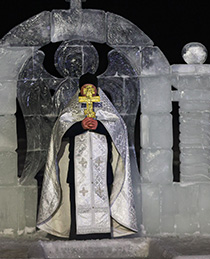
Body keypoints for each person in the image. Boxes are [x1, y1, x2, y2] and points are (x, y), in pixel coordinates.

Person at [37, 73, 137, 239]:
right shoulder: (71, 112)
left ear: (97, 90)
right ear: (80, 91)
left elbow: (118, 131)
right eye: (85, 89)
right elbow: (61, 133)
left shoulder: (107, 113)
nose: (88, 92)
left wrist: (98, 125)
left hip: (103, 171)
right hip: (76, 172)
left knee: (102, 199)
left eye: (91, 89)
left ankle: (103, 234)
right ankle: (78, 235)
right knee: (77, 202)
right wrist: (80, 125)